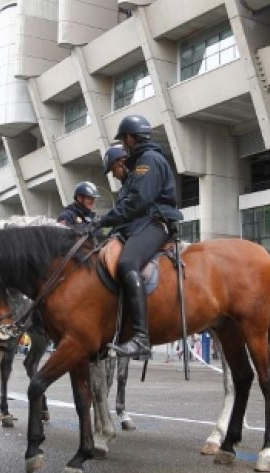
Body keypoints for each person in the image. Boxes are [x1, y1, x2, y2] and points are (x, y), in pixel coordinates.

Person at [97, 115, 183, 359]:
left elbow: (139, 202)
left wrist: (105, 219)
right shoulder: (139, 163)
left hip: (156, 223)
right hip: (142, 224)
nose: (124, 146)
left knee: (127, 263)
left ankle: (141, 339)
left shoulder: (149, 160)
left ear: (131, 138)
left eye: (124, 141)